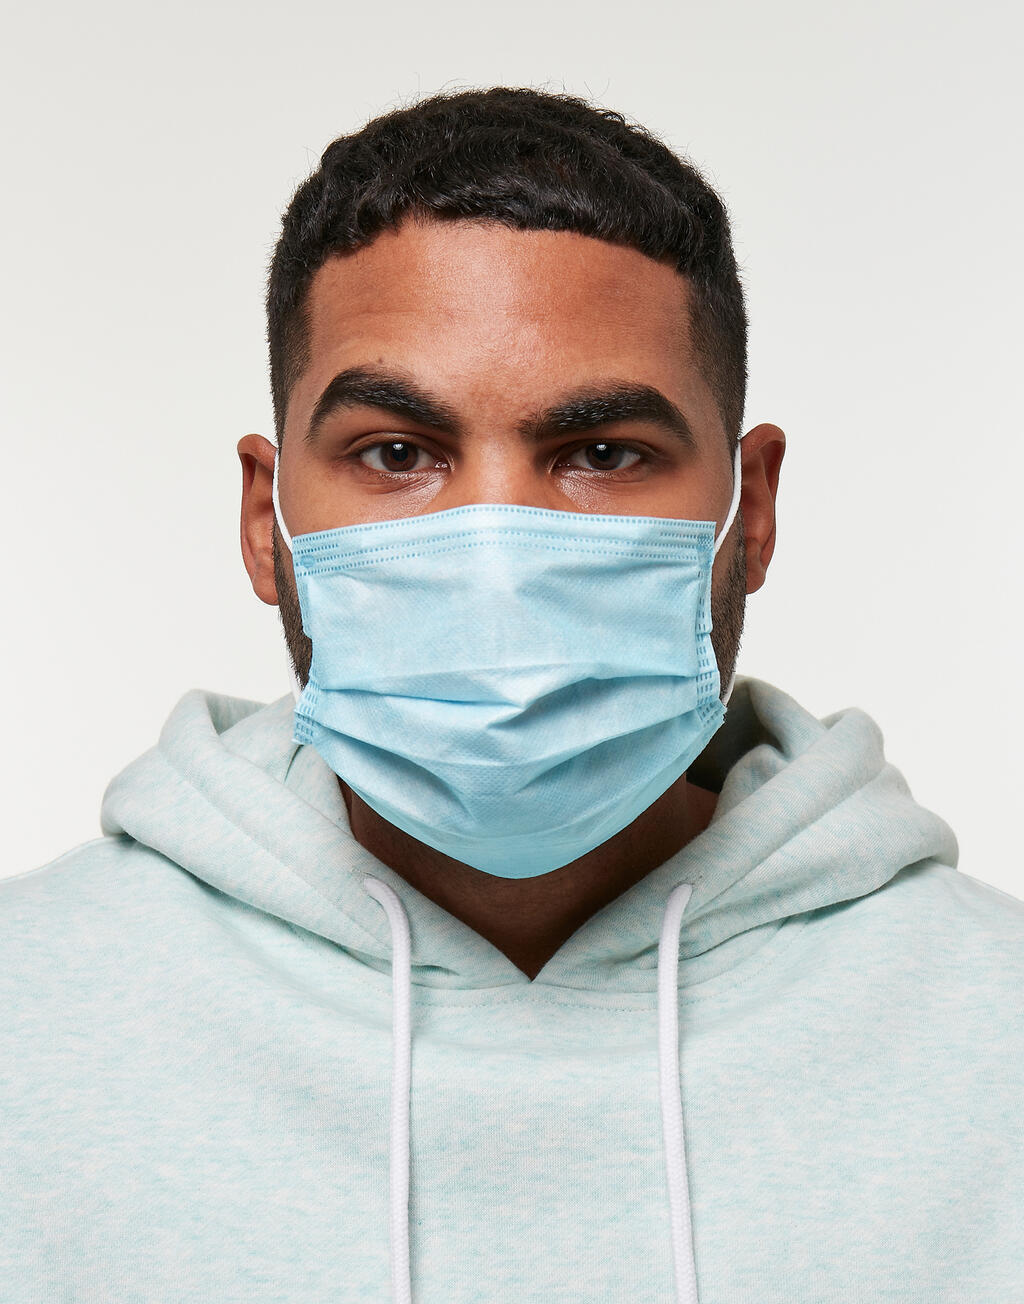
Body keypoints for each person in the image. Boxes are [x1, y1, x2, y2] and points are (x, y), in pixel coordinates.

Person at [2, 86, 1021, 1304]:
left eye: (600, 453)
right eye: (396, 452)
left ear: (750, 511)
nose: (496, 555)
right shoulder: (29, 1012)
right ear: (264, 520)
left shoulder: (994, 1029)